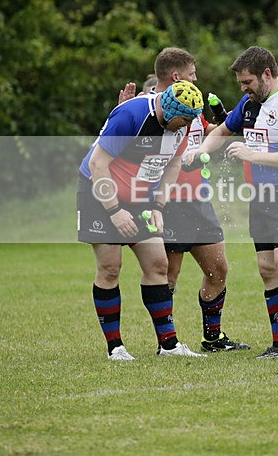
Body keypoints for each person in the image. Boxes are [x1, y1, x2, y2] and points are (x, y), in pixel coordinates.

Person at [188, 46, 278, 359]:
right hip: (259, 194)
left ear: (267, 75)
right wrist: (201, 150)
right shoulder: (249, 104)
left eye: (247, 82)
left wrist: (251, 155)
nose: (243, 88)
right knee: (266, 268)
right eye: (240, 84)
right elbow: (221, 129)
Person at [77, 47, 207, 360]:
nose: (186, 127)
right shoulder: (132, 115)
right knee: (110, 267)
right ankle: (115, 348)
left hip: (138, 195)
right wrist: (115, 211)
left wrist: (159, 206)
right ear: (169, 108)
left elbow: (174, 164)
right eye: (183, 122)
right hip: (100, 192)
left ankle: (169, 345)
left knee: (157, 264)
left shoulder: (184, 119)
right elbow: (98, 165)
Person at [118, 74, 249, 353]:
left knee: (218, 268)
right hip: (168, 203)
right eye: (191, 72)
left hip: (199, 201)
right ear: (177, 75)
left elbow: (214, 134)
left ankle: (213, 339)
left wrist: (223, 119)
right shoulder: (153, 111)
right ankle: (168, 343)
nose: (196, 77)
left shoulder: (192, 110)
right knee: (169, 275)